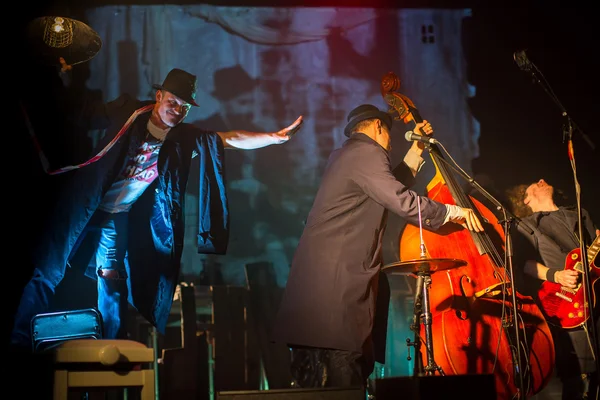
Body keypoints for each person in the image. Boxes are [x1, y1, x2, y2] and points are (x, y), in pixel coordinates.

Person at [10, 61, 303, 350]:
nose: (176, 110)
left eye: (184, 107)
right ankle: (20, 340)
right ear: (159, 96)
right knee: (49, 272)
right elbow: (83, 114)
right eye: (173, 102)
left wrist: (273, 138)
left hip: (116, 217)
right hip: (82, 208)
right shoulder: (129, 112)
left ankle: (111, 346)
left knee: (111, 280)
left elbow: (228, 140)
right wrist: (55, 78)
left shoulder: (183, 139)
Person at [271, 104, 484, 389]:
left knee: (328, 376)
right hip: (339, 286)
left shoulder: (347, 155)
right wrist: (454, 212)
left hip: (323, 286)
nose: (390, 144)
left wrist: (417, 150)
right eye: (390, 136)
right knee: (346, 372)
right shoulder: (367, 153)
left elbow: (385, 187)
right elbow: (400, 200)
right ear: (378, 127)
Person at [506, 178, 600, 400]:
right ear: (525, 199)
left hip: (595, 295)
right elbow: (525, 264)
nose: (541, 180)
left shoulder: (579, 214)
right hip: (564, 303)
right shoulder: (525, 225)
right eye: (532, 184)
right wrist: (556, 275)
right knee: (578, 377)